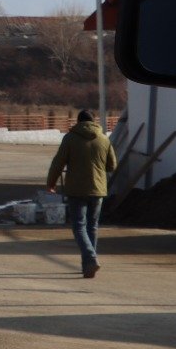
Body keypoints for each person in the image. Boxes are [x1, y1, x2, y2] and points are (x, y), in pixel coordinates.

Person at [46, 109, 118, 278]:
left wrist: (51, 183)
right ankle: (88, 265)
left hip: (76, 189)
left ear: (78, 122)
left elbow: (58, 163)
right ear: (94, 122)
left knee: (79, 226)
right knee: (92, 226)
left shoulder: (70, 138)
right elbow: (112, 165)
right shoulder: (103, 139)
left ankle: (90, 258)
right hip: (98, 189)